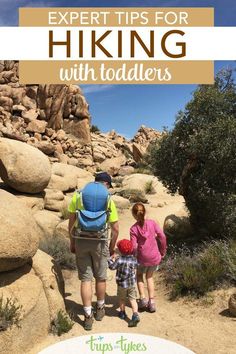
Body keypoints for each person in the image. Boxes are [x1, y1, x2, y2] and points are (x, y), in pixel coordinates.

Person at [68, 172, 119, 330]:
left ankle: (88, 315)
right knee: (101, 277)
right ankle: (100, 309)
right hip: (100, 242)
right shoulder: (108, 199)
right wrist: (111, 247)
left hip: (82, 240)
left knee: (86, 279)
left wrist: (73, 241)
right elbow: (115, 229)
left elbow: (71, 222)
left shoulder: (79, 195)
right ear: (107, 184)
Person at [130, 202, 167, 313]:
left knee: (139, 276)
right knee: (149, 277)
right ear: (145, 212)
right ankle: (152, 302)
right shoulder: (152, 223)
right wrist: (162, 250)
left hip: (141, 258)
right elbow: (162, 236)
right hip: (154, 256)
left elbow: (134, 246)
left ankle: (142, 299)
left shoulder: (133, 229)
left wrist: (133, 256)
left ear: (134, 215)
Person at [108, 239, 140, 327]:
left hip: (122, 284)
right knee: (133, 299)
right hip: (131, 284)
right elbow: (137, 265)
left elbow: (112, 267)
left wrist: (111, 259)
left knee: (122, 299)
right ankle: (135, 314)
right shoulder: (134, 259)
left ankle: (122, 313)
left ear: (120, 251)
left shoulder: (119, 260)